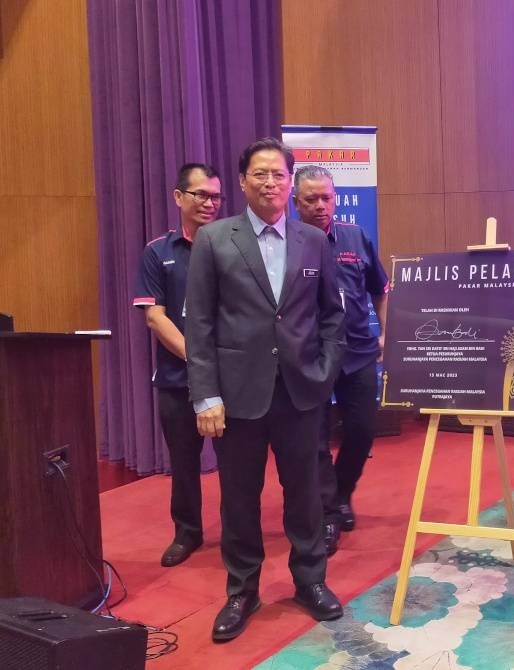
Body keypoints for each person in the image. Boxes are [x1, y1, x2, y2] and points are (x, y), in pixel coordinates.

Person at [185, 138, 347, 642]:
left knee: (305, 495)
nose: (270, 182)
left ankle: (310, 581)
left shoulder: (314, 240)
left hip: (301, 392)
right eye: (260, 174)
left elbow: (332, 315)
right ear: (242, 181)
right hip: (237, 396)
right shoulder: (215, 239)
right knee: (239, 498)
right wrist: (205, 395)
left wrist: (323, 371)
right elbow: (201, 324)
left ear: (289, 180)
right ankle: (242, 590)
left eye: (278, 174)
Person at [292, 165, 388, 555]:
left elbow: (380, 289)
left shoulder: (355, 236)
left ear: (335, 198)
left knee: (362, 429)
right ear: (295, 202)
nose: (320, 205)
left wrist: (386, 334)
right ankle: (329, 512)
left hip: (359, 351)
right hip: (310, 356)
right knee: (313, 437)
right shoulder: (288, 243)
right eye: (310, 198)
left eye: (326, 197)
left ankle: (342, 491)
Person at [133, 163, 223, 568]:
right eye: (200, 194)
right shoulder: (158, 252)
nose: (209, 202)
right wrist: (200, 359)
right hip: (176, 379)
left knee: (237, 463)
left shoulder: (230, 245)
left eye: (215, 197)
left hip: (230, 379)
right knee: (184, 462)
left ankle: (240, 532)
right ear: (178, 197)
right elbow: (155, 317)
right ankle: (187, 533)